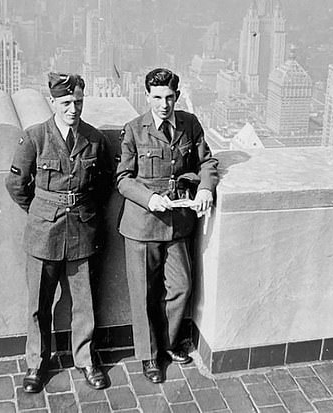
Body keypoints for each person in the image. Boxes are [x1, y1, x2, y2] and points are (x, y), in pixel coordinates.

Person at [6, 72, 112, 392]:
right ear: (52, 102)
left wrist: (84, 210)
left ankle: (86, 359)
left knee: (85, 301)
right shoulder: (35, 137)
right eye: (65, 103)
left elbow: (104, 183)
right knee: (40, 302)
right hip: (44, 231)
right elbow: (16, 183)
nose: (72, 109)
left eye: (78, 102)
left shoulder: (94, 139)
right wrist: (40, 210)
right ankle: (37, 363)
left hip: (82, 228)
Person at [116, 68, 219, 383]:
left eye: (170, 97)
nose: (164, 104)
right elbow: (123, 179)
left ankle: (169, 343)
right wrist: (149, 199)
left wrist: (205, 188)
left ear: (177, 96)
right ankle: (149, 357)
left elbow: (207, 162)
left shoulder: (190, 124)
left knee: (181, 286)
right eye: (157, 97)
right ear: (147, 96)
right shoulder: (134, 130)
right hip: (142, 226)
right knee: (144, 294)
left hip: (177, 224)